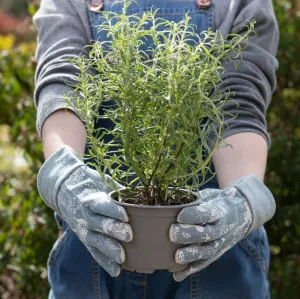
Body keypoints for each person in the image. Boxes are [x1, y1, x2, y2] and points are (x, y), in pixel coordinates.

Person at [33, 0, 279, 298]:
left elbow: (239, 99)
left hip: (215, 251)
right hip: (94, 237)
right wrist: (64, 173)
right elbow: (64, 80)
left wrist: (243, 196)